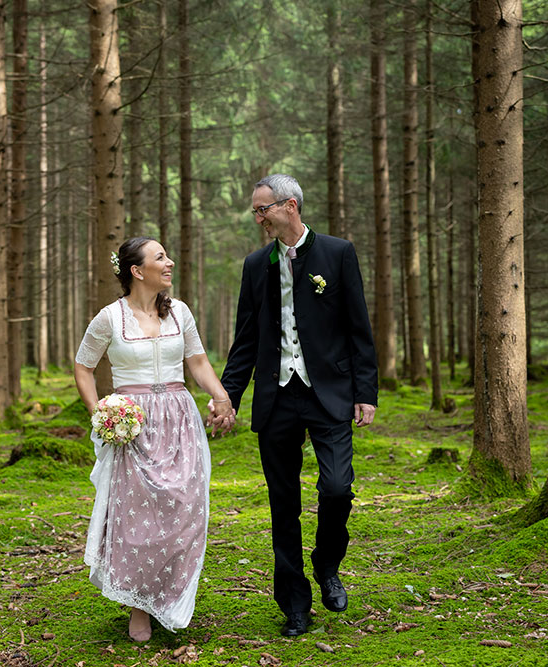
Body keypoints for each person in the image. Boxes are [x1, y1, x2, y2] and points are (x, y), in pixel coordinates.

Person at [217, 174, 378, 637]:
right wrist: (229, 397)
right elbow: (245, 340)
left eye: (261, 209)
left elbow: (358, 328)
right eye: (254, 210)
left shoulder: (338, 253)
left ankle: (328, 563)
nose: (257, 217)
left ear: (290, 206)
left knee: (336, 488)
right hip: (276, 398)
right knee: (282, 505)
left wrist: (365, 392)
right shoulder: (255, 265)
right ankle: (294, 604)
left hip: (328, 393)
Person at [75, 237, 235, 642]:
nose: (169, 263)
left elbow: (197, 361)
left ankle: (172, 595)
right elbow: (83, 367)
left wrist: (220, 397)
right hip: (134, 426)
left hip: (180, 420)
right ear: (136, 270)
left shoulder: (179, 312)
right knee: (136, 519)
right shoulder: (110, 318)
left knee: (185, 510)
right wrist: (101, 412)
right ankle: (139, 606)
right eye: (160, 257)